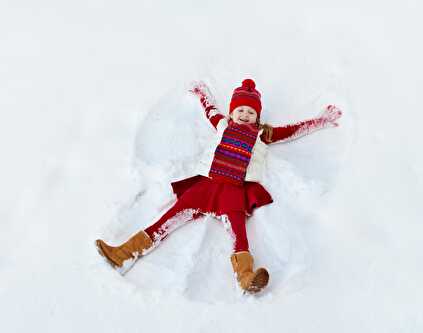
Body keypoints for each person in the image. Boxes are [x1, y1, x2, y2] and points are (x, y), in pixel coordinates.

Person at [95, 78, 342, 293]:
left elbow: (292, 131)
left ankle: (246, 276)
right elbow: (210, 110)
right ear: (232, 113)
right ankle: (123, 253)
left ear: (257, 117)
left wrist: (320, 121)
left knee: (239, 234)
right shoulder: (223, 125)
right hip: (208, 185)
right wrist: (202, 94)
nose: (245, 115)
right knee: (167, 219)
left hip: (234, 190)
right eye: (240, 111)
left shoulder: (262, 134)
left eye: (250, 113)